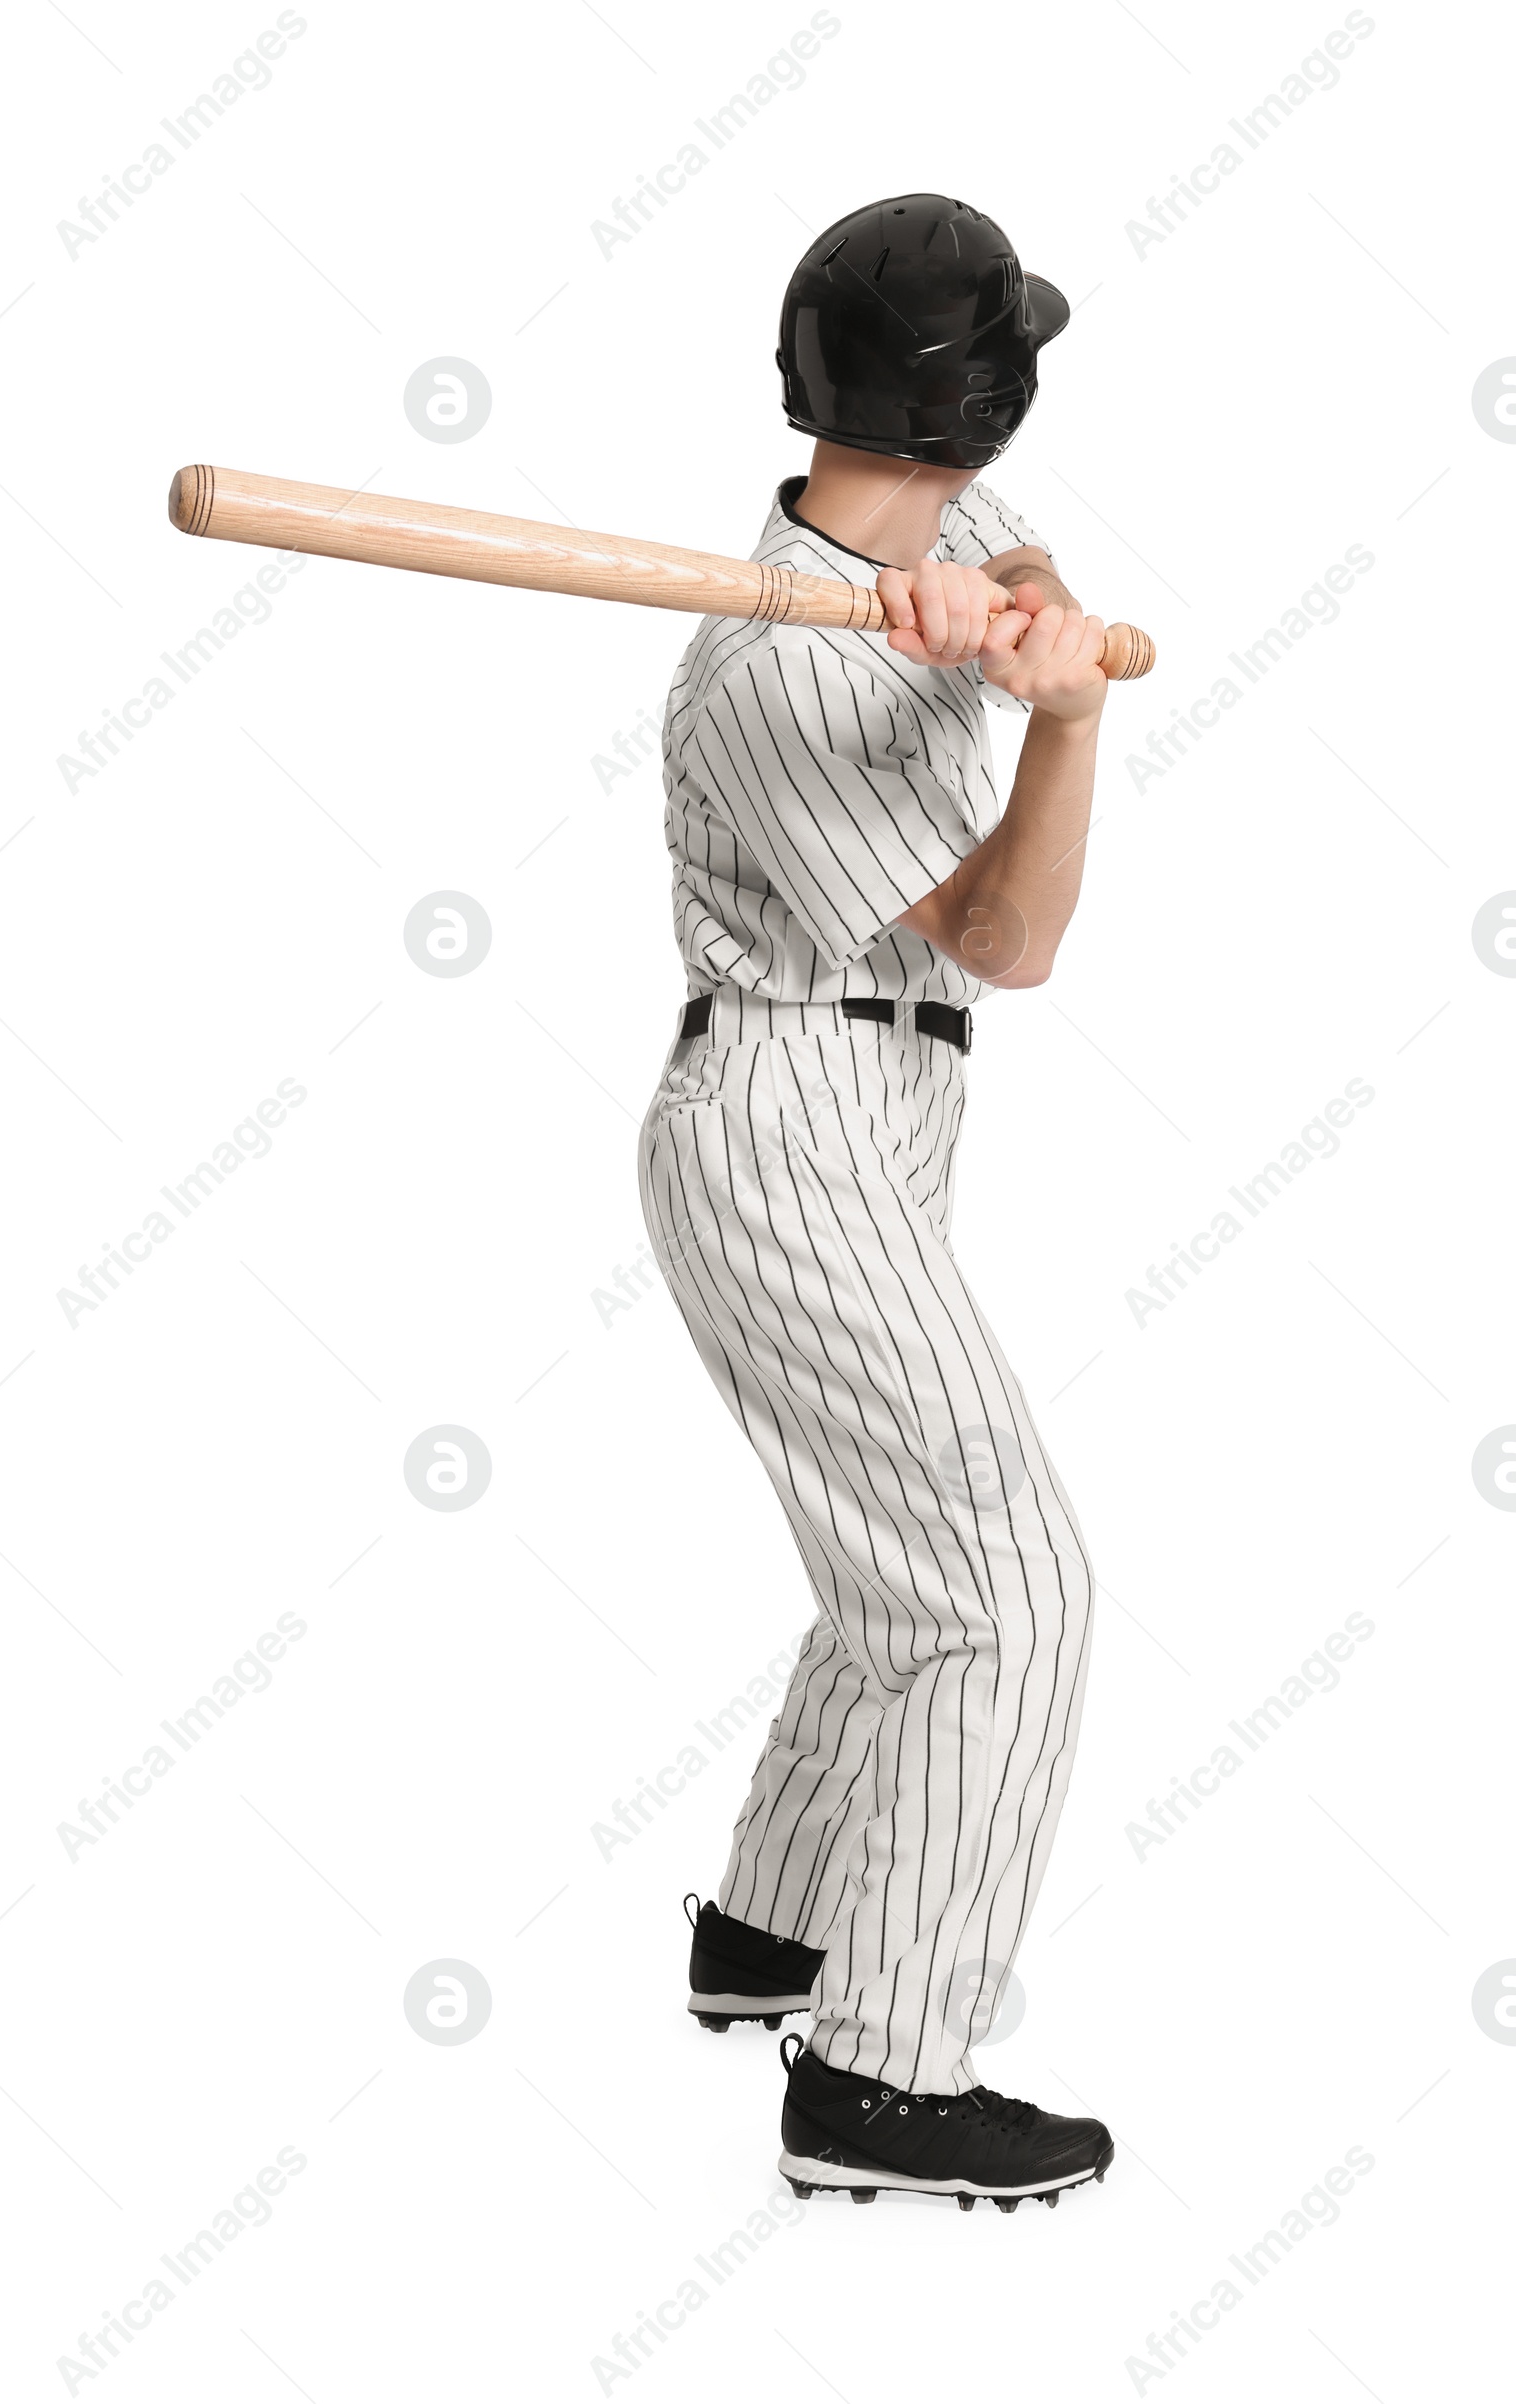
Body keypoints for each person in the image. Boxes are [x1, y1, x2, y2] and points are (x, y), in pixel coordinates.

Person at [639, 195, 1114, 2212]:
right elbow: (1007, 938)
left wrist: (1016, 611)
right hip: (789, 1112)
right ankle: (887, 2076)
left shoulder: (932, 511)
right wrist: (1067, 719)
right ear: (971, 393)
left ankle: (767, 1931)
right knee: (1007, 1587)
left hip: (867, 1120)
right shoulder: (777, 672)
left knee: (896, 1573)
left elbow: (1030, 554)